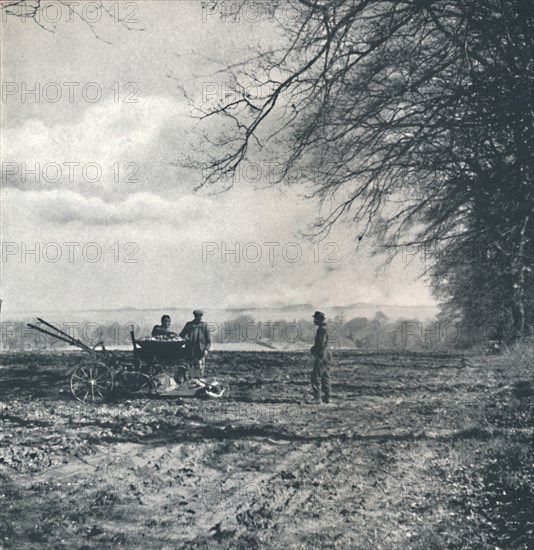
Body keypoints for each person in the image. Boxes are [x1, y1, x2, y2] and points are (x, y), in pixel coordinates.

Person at [179, 309, 211, 377]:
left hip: (200, 352)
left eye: (201, 317)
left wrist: (206, 349)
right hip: (190, 351)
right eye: (198, 316)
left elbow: (208, 340)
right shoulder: (189, 325)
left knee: (200, 370)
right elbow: (181, 335)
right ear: (195, 316)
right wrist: (185, 338)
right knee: (190, 370)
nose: (200, 318)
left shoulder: (204, 326)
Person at [310, 310, 333, 404]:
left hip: (322, 354)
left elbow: (321, 343)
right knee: (325, 376)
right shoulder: (325, 327)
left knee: (315, 376)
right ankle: (327, 398)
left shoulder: (322, 329)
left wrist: (314, 350)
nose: (314, 320)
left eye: (315, 318)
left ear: (318, 319)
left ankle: (317, 398)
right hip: (327, 354)